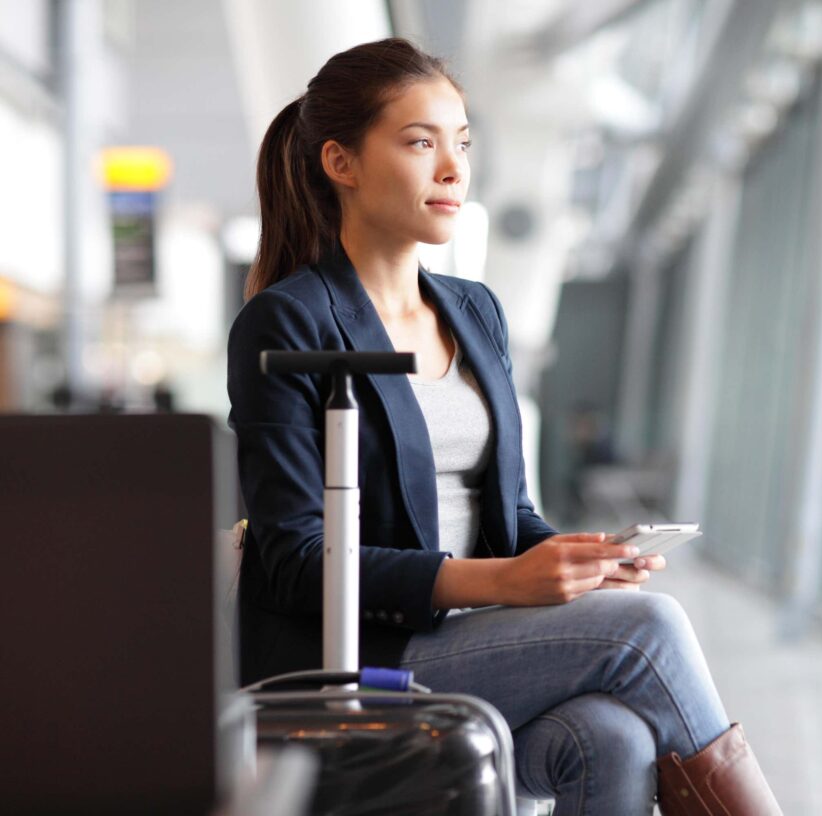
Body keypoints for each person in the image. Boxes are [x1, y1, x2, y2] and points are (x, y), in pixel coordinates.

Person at [227, 37, 781, 815]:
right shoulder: (287, 322)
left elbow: (509, 514)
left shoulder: (474, 310)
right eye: (420, 143)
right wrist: (500, 582)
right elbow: (294, 560)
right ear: (340, 163)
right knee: (645, 630)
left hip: (473, 637)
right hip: (357, 656)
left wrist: (572, 558)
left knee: (611, 735)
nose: (453, 169)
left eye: (462, 143)